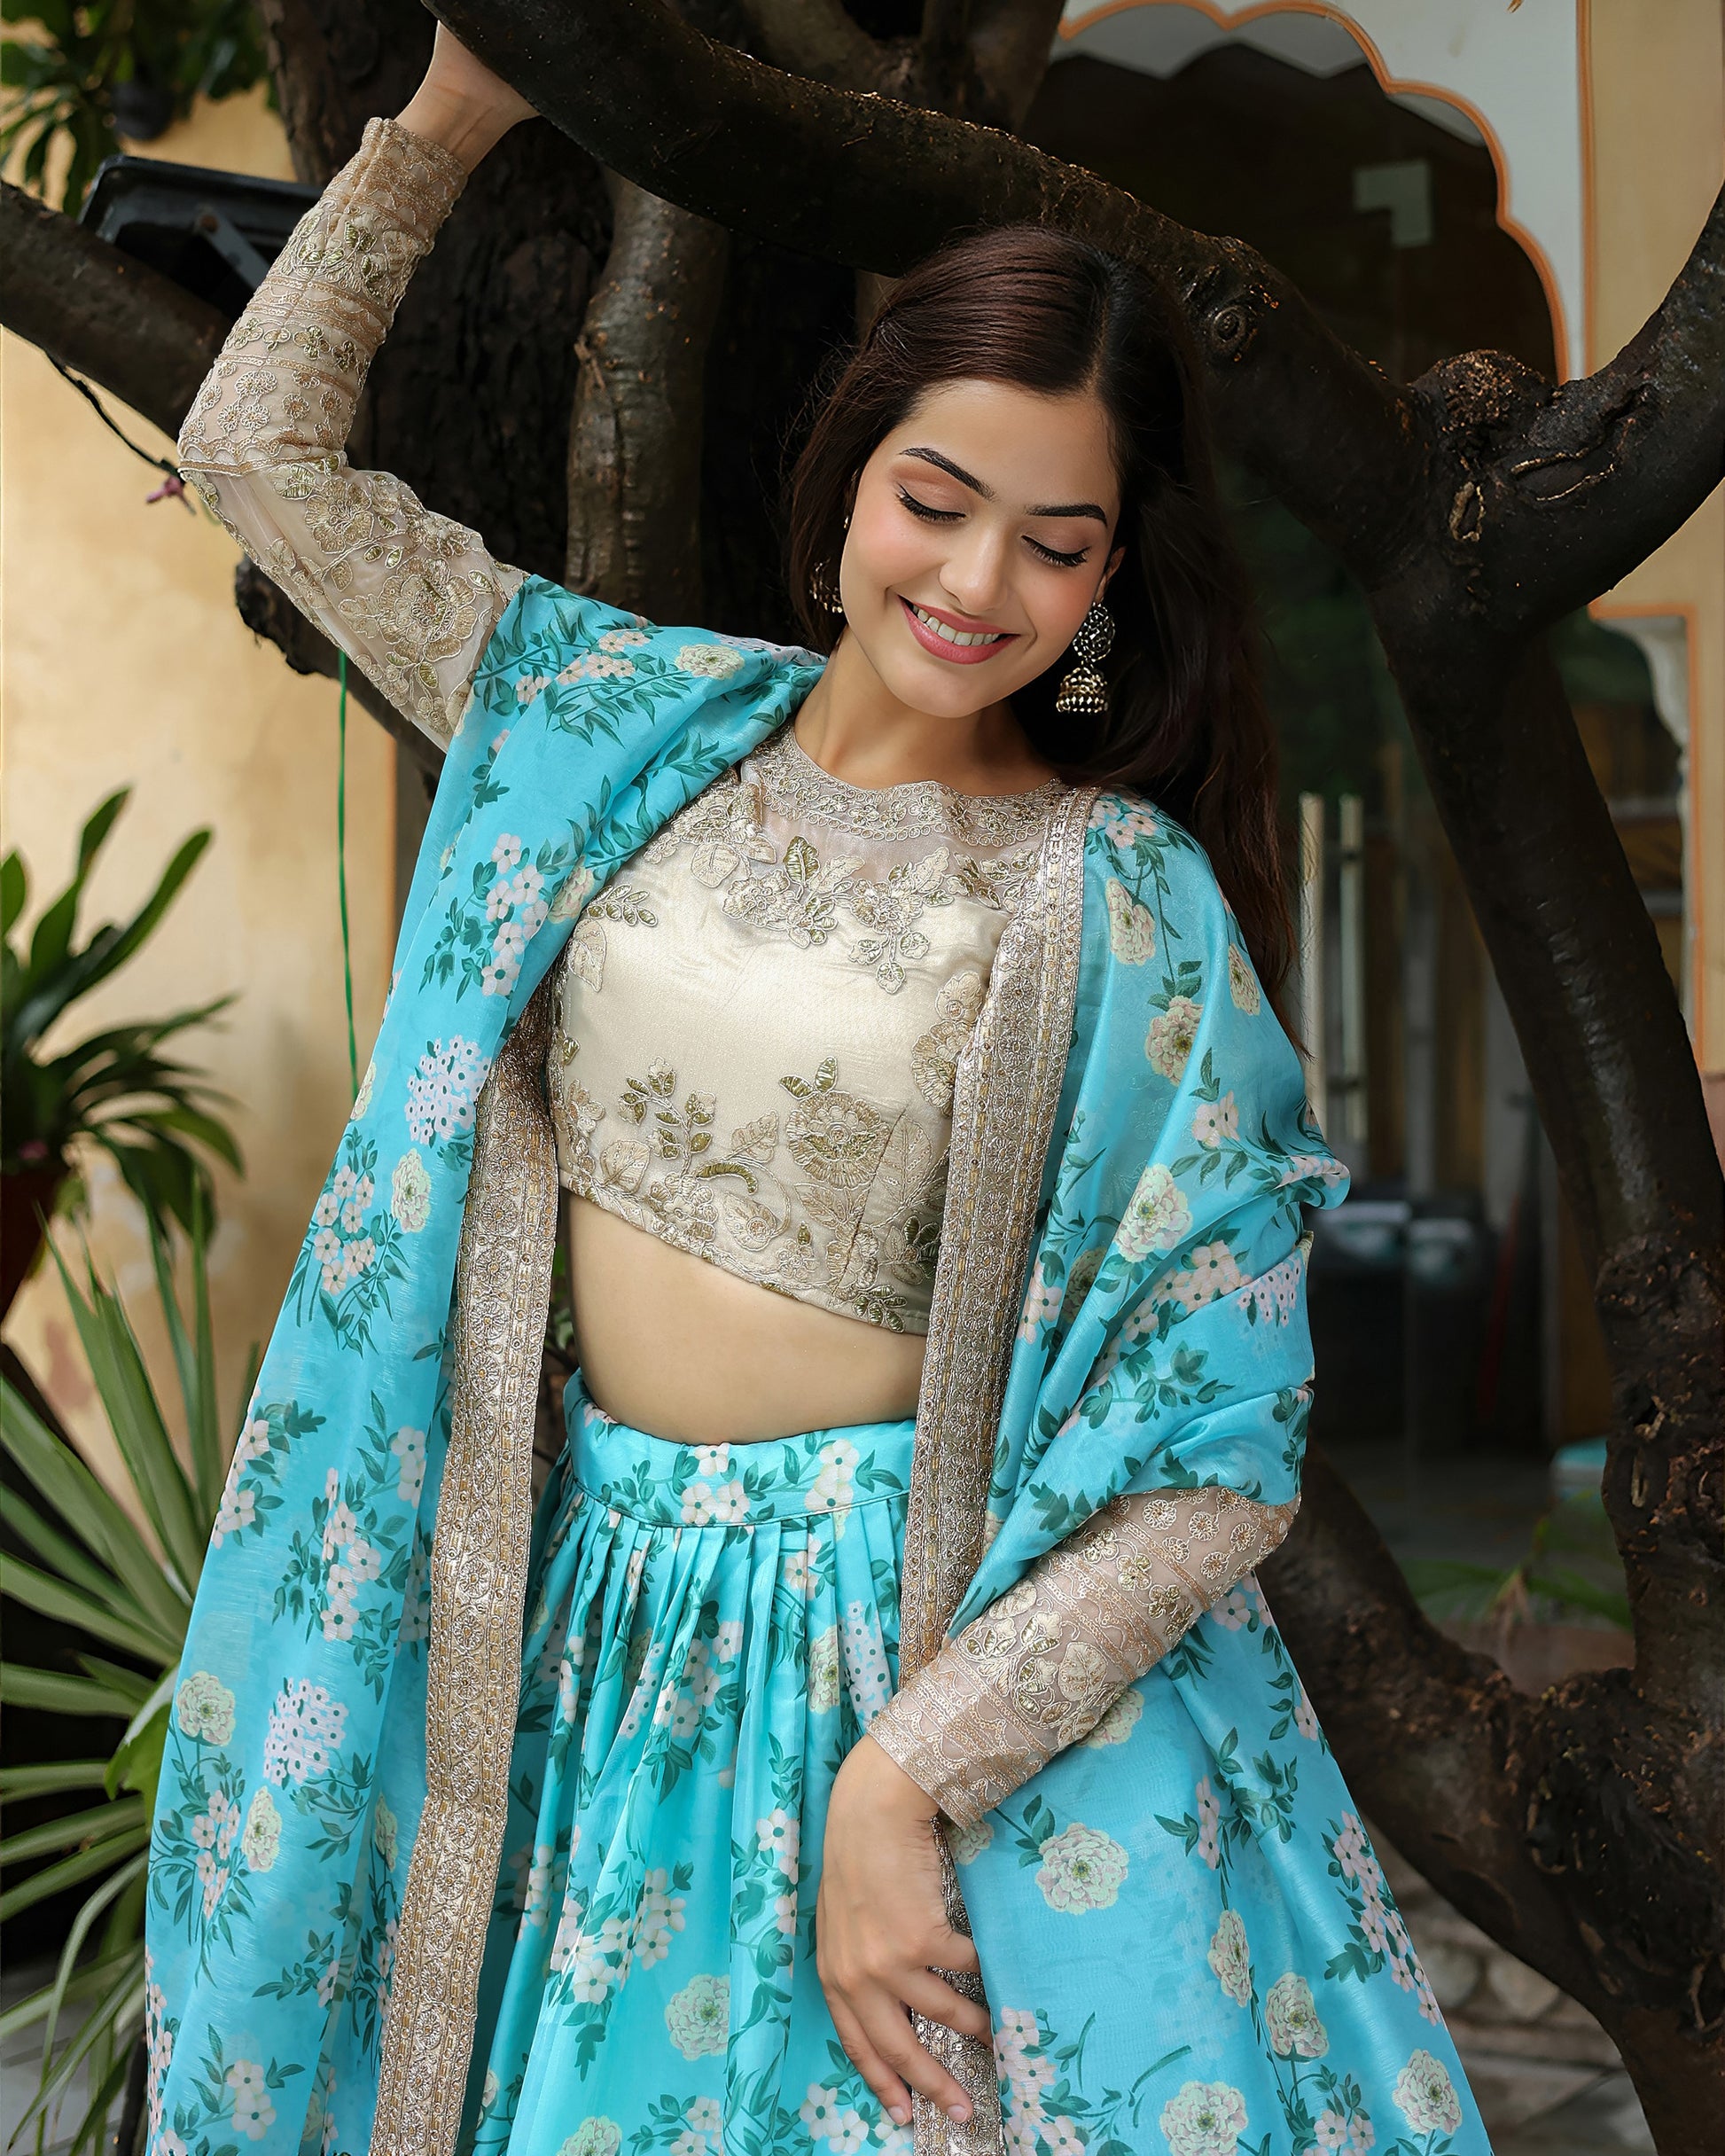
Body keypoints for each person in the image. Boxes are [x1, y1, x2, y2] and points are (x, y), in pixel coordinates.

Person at [143, 27, 1491, 2156]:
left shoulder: (1110, 897)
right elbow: (260, 457)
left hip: (900, 1666)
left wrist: (902, 1778)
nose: (971, 586)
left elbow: (1209, 1450)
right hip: (582, 1641)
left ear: (1108, 584)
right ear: (853, 469)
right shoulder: (610, 720)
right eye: (935, 503)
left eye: (1053, 544)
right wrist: (451, 119)